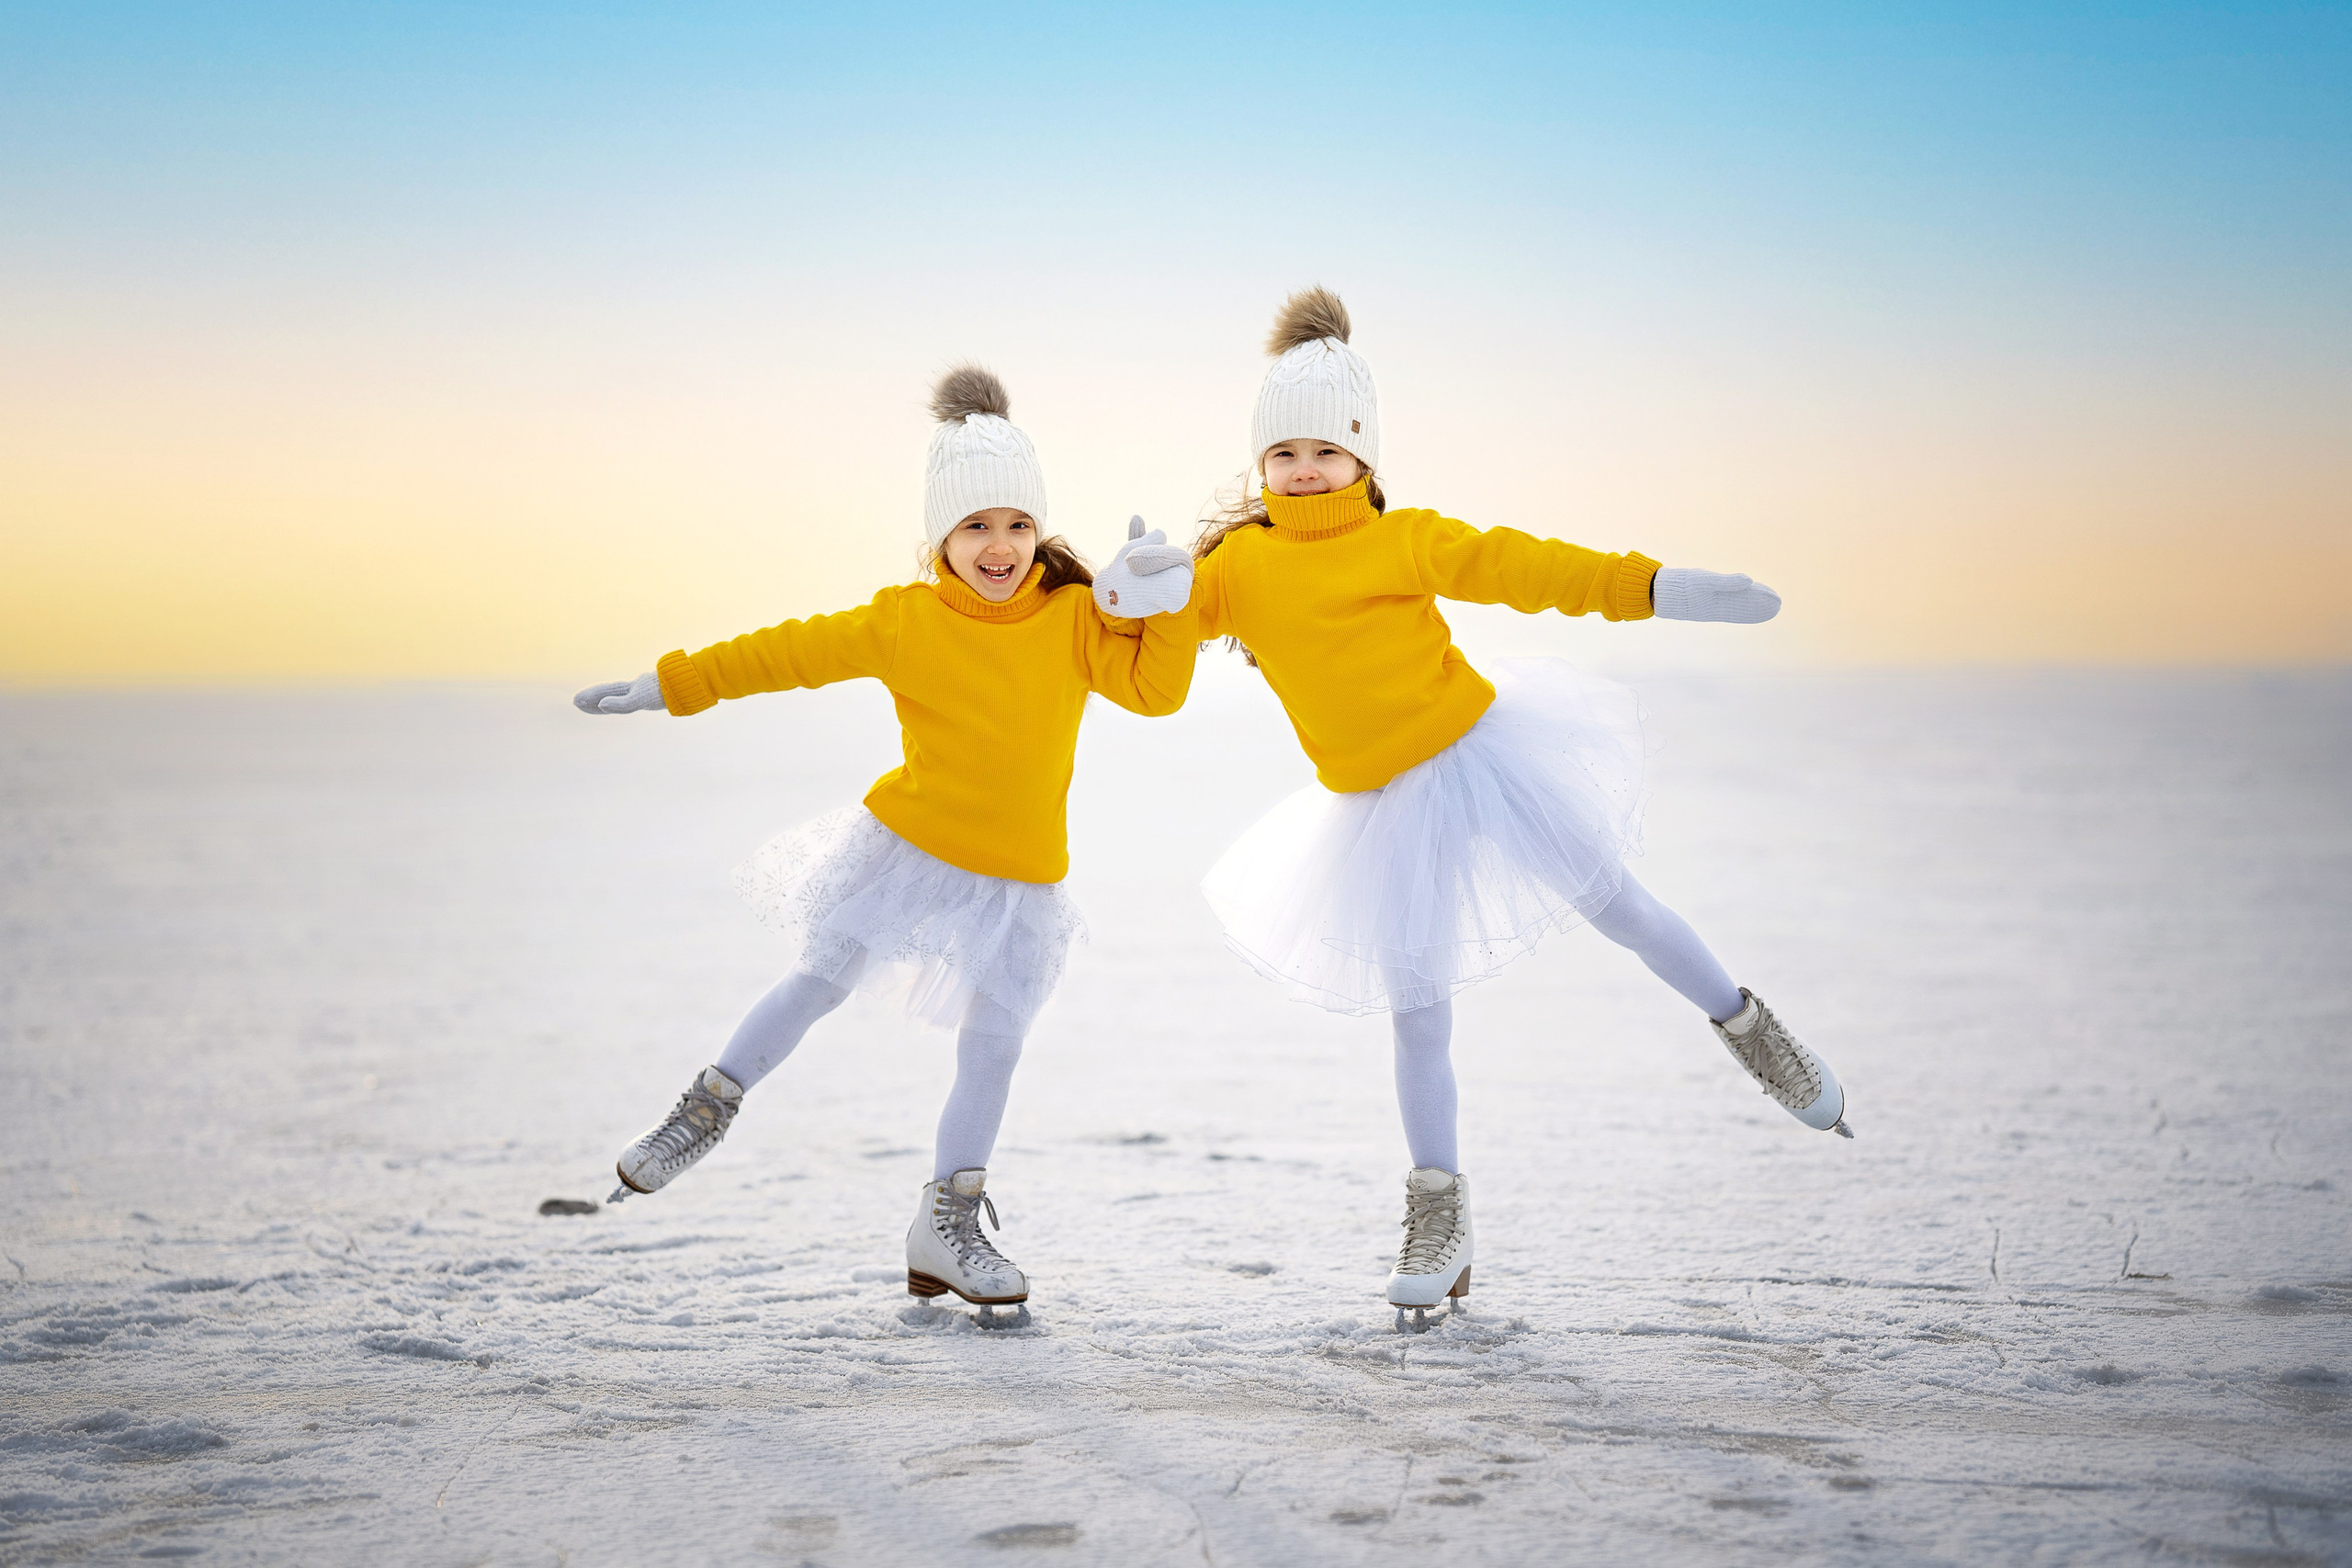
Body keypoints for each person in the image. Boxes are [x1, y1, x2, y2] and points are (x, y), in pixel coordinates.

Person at [1186, 288, 1850, 1322]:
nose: (1302, 469)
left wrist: (1662, 587)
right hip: (1374, 807)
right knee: (1418, 1015)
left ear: (1363, 460)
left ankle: (1752, 1031)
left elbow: (1524, 565)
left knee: (1618, 907)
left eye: (1324, 450)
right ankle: (1440, 1221)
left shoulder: (1402, 539)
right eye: (1283, 454)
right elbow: (1139, 653)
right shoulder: (1234, 568)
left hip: (1477, 754)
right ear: (1258, 467)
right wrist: (1126, 590)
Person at [573, 367, 1196, 1315]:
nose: (1000, 546)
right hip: (907, 849)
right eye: (977, 526)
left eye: (1018, 526)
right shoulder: (903, 621)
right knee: (820, 979)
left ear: (1041, 532)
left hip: (1019, 881)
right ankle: (699, 1112)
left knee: (994, 1046)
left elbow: (1157, 692)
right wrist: (673, 683)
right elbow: (783, 652)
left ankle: (946, 1226)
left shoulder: (1074, 618)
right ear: (939, 538)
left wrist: (1168, 600)